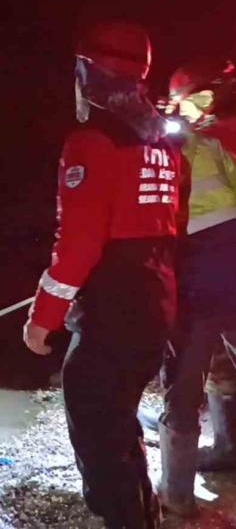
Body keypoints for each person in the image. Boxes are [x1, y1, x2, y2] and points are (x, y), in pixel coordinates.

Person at [23, 21, 183, 528]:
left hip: (114, 312)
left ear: (88, 72)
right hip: (156, 301)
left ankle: (126, 518)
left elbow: (78, 244)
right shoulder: (163, 143)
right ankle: (143, 515)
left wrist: (42, 319)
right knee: (119, 423)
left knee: (97, 431)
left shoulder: (91, 141)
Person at [157, 57, 236, 517]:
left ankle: (176, 494)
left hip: (199, 282)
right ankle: (223, 451)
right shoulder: (207, 138)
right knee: (215, 372)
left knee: (183, 384)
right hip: (216, 276)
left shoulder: (199, 140)